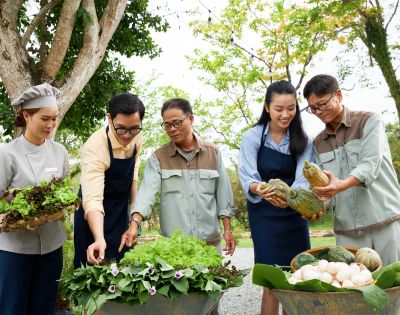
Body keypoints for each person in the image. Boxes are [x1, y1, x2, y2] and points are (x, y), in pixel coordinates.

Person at [303, 74, 400, 266]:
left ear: (338, 95)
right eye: (313, 108)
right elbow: (325, 187)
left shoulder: (369, 122)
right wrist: (318, 205)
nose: (319, 112)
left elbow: (369, 165)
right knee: (354, 290)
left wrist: (341, 185)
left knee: (395, 288)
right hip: (347, 232)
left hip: (385, 223)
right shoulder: (318, 143)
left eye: (322, 104)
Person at [119, 97, 236, 255]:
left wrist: (228, 230)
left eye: (177, 123)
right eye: (167, 125)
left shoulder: (213, 153)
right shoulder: (158, 157)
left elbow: (223, 195)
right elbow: (146, 195)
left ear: (191, 119)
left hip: (209, 246)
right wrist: (134, 224)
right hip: (174, 248)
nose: (172, 129)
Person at [238, 80, 313, 315]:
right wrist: (261, 190)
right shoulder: (252, 137)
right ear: (267, 107)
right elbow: (248, 176)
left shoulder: (303, 140)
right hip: (264, 216)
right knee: (271, 284)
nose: (285, 114)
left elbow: (303, 178)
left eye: (291, 108)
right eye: (279, 109)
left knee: (296, 280)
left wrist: (291, 197)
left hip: (293, 214)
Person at [0, 83, 69, 315]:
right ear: (26, 115)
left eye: (54, 119)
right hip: (14, 251)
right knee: (12, 309)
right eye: (45, 119)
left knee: (44, 309)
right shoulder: (6, 153)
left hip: (51, 248)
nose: (51, 125)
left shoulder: (60, 152)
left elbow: (62, 193)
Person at [73, 93, 144, 268]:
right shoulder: (95, 146)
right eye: (121, 128)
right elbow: (93, 200)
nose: (127, 135)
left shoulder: (137, 137)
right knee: (91, 274)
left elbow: (133, 172)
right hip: (93, 216)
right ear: (109, 118)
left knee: (120, 271)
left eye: (134, 128)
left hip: (119, 212)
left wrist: (133, 213)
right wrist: (98, 238)